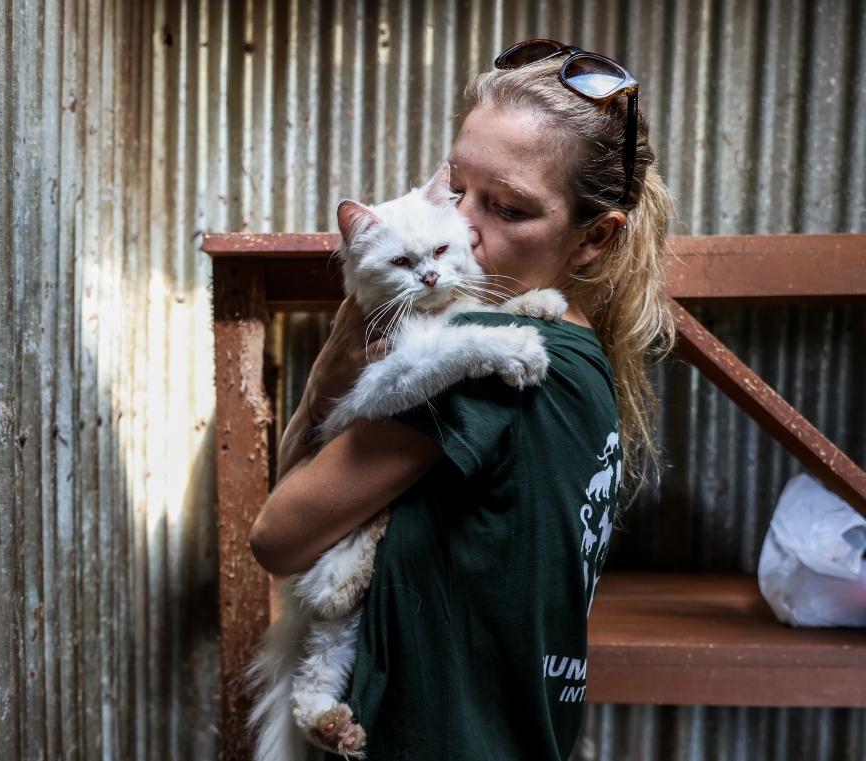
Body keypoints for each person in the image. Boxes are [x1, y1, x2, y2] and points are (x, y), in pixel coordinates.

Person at [248, 42, 675, 760]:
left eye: (507, 208)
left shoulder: (491, 354)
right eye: (457, 187)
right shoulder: (579, 351)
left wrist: (332, 362)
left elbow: (277, 534)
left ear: (593, 239)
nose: (464, 229)